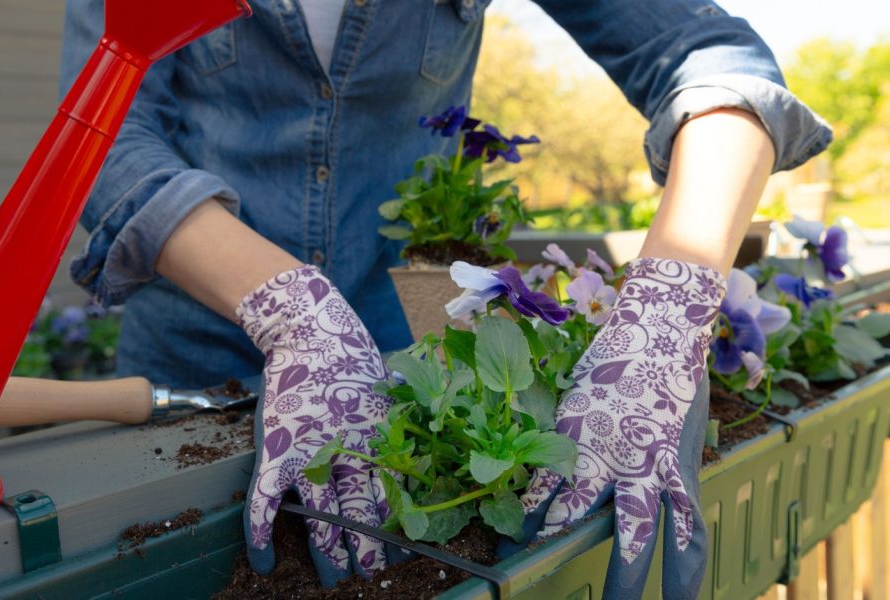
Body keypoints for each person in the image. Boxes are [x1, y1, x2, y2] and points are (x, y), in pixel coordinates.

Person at [59, 0, 831, 597]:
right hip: (194, 367)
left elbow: (713, 58)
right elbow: (101, 131)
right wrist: (289, 307)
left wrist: (668, 308)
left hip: (411, 373)